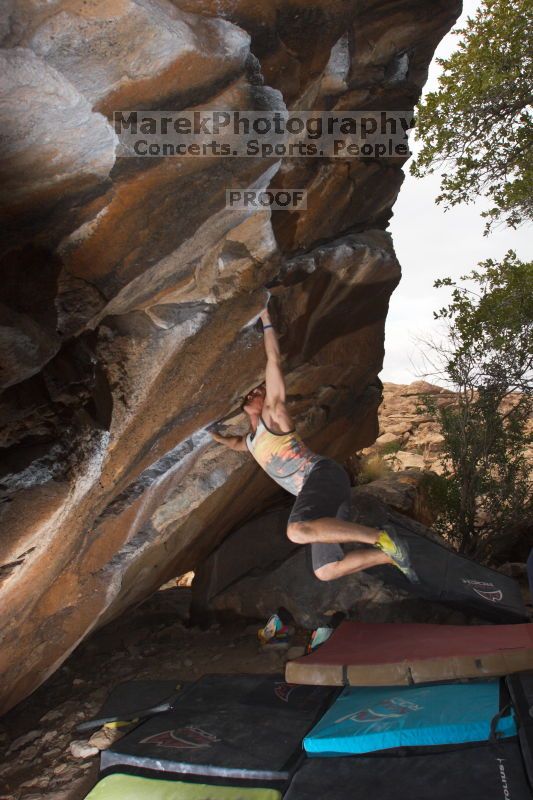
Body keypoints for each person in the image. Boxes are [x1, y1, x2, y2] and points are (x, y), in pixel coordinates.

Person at [211, 305, 418, 583]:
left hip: (321, 476)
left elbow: (273, 361)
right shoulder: (251, 441)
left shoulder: (274, 415)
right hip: (323, 495)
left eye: (259, 390)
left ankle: (383, 539)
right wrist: (211, 435)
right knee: (325, 570)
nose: (254, 393)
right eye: (252, 392)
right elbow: (235, 443)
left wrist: (266, 319)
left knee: (296, 530)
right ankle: (393, 556)